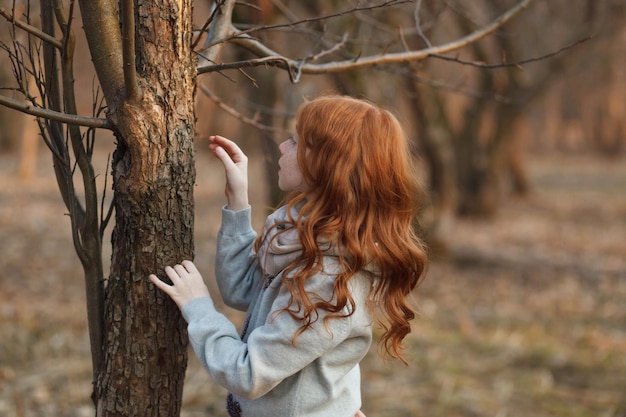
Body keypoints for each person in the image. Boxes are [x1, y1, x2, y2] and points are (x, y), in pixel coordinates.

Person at [150, 95, 428, 417]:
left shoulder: (332, 278)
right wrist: (238, 202)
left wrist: (198, 309)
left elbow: (249, 373)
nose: (282, 147)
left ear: (329, 165)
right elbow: (243, 290)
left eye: (296, 142)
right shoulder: (304, 229)